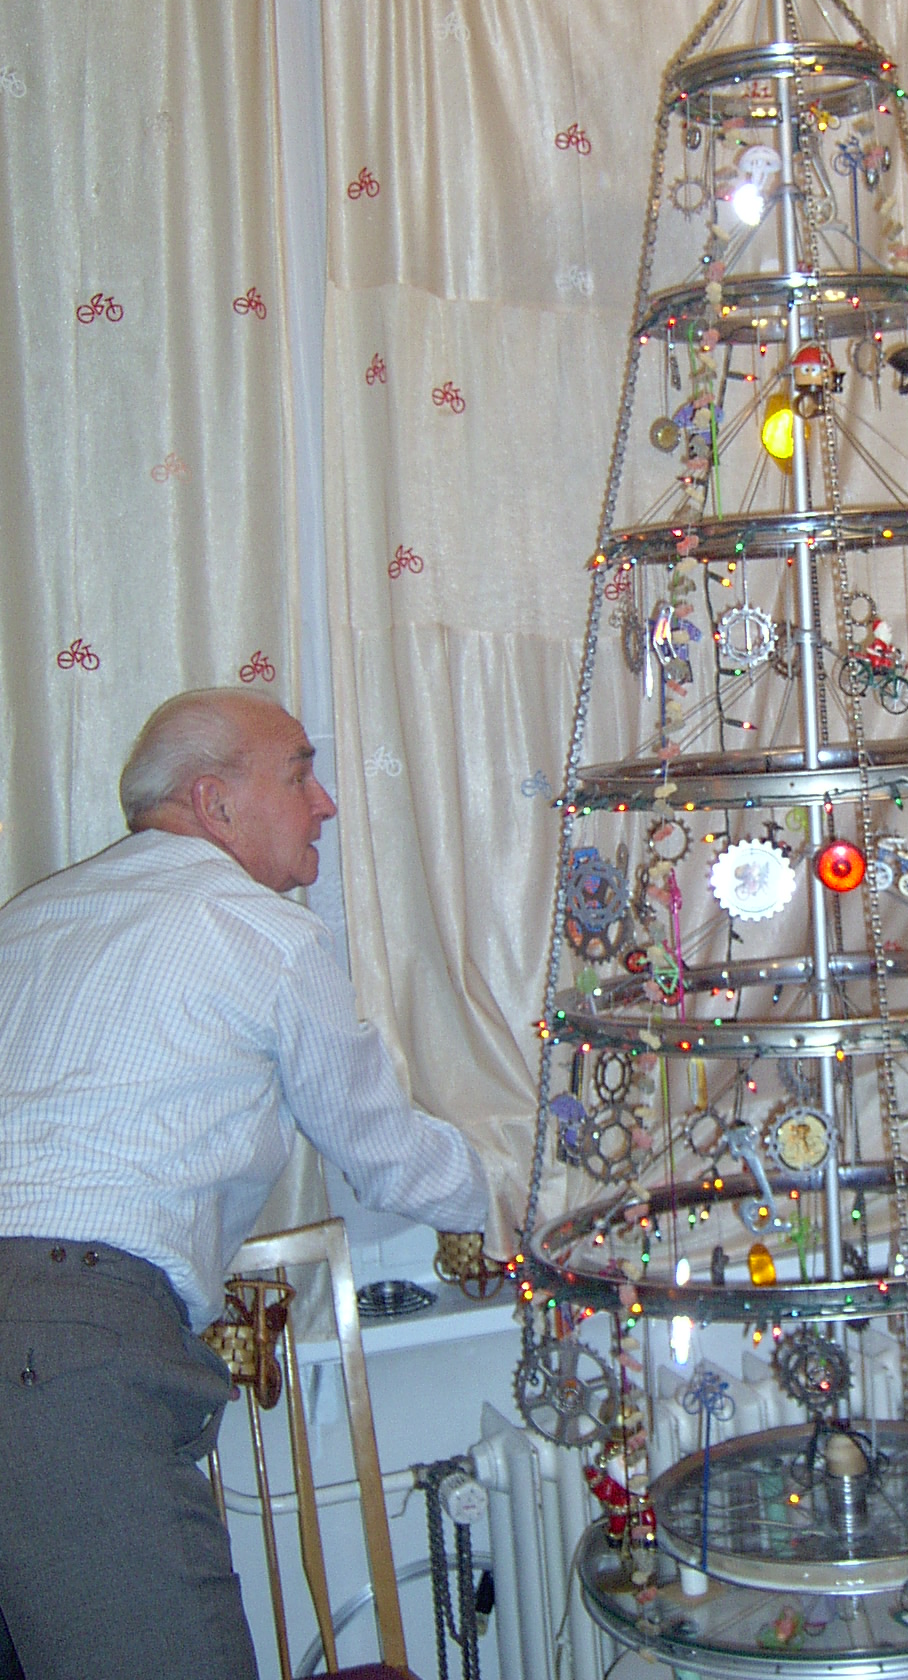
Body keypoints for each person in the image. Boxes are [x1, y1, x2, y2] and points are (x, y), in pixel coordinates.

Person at [0, 688, 491, 1680]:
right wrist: (521, 1195)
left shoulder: (29, 919)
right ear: (213, 800)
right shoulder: (263, 934)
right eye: (300, 773)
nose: (326, 802)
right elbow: (386, 1151)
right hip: (67, 1354)